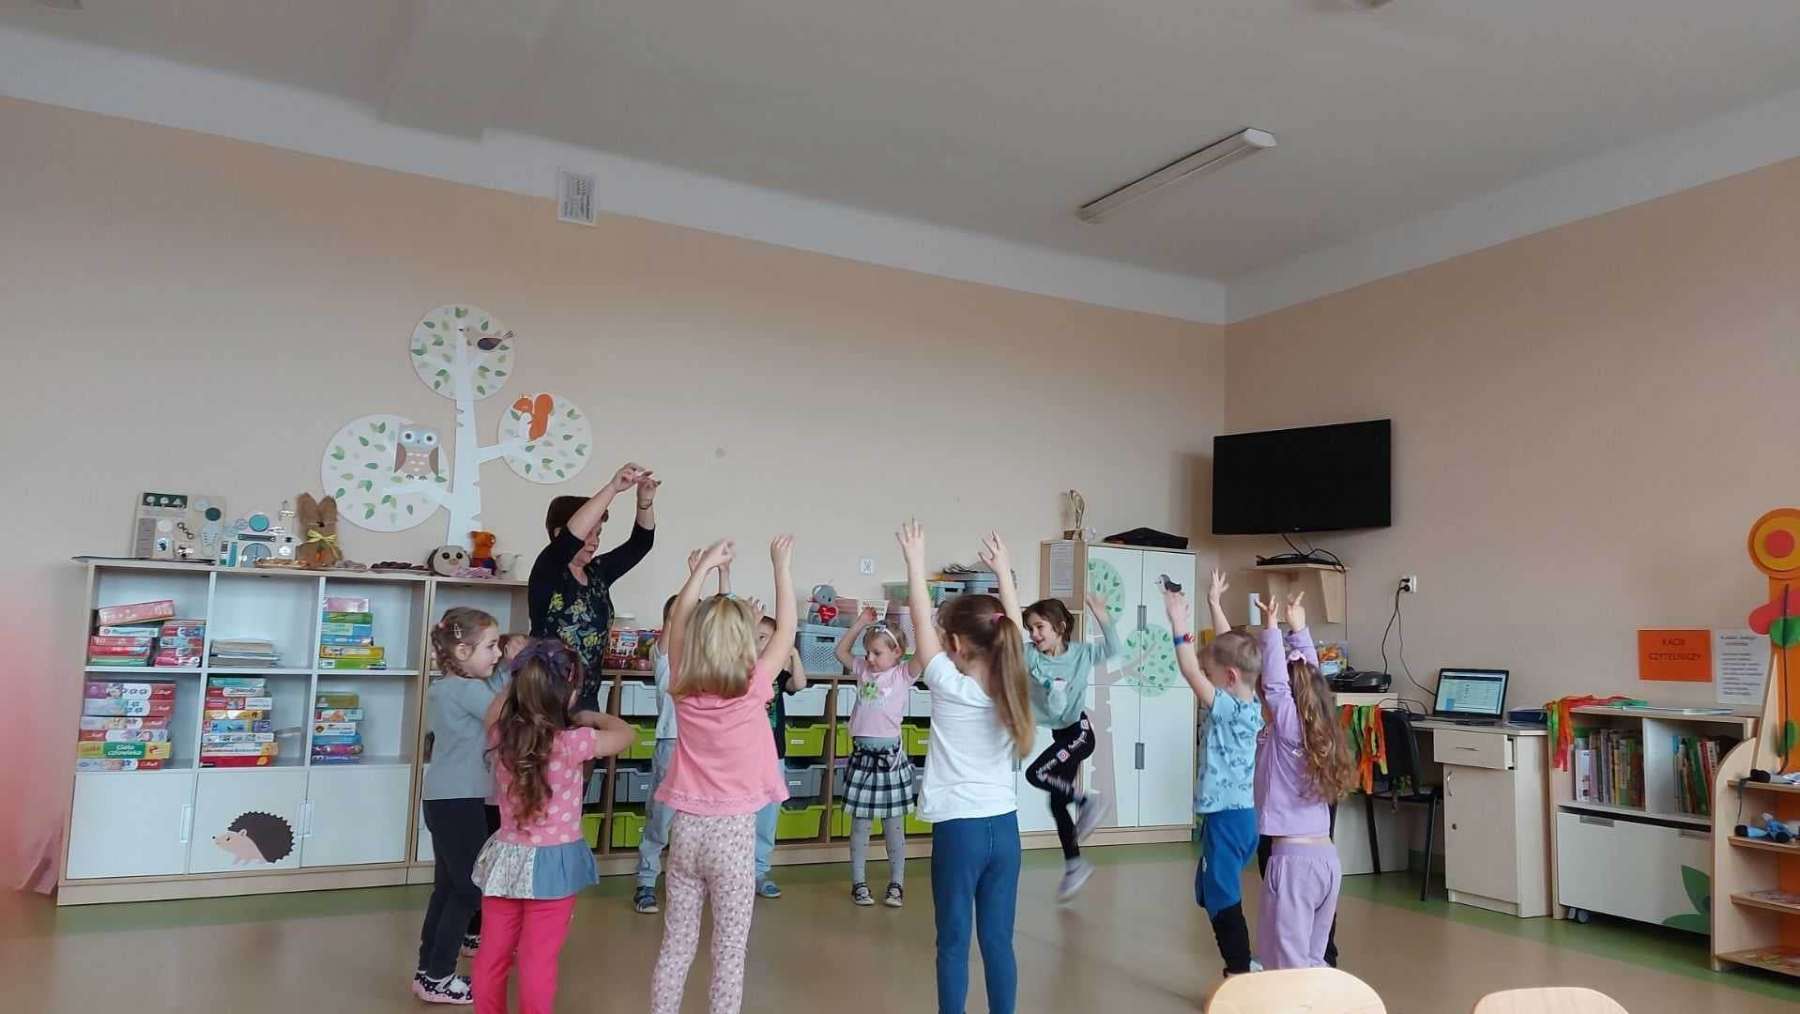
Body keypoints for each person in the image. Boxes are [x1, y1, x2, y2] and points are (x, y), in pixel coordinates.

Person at [649, 536, 797, 1014]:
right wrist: (781, 566)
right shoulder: (754, 686)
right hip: (732, 838)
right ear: (744, 643)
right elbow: (787, 630)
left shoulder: (682, 682)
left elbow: (678, 623)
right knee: (729, 953)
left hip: (686, 833)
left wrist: (701, 570)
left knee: (676, 946)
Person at [901, 523, 1035, 1014]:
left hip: (961, 831)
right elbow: (1014, 633)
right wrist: (1004, 573)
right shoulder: (1012, 683)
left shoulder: (948, 686)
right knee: (999, 942)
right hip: (1005, 829)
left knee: (954, 942)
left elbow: (920, 622)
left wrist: (915, 563)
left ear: (956, 644)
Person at [471, 640, 635, 1014]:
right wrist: (591, 715)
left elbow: (493, 712)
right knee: (537, 960)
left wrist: (517, 679)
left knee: (492, 955)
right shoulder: (574, 742)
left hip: (506, 861)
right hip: (553, 866)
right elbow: (626, 734)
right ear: (568, 694)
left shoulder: (502, 737)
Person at [1164, 572, 1264, 979]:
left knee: (1222, 897)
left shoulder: (1227, 708)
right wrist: (1214, 604)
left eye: (1212, 674)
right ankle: (1241, 963)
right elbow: (1230, 648)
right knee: (1212, 890)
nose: (1206, 679)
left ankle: (1239, 969)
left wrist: (1178, 624)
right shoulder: (1250, 703)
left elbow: (1190, 671)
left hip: (1227, 819)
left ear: (1228, 679)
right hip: (1239, 818)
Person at [1254, 592, 1358, 970]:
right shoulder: (1321, 728)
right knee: (1314, 959)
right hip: (1326, 861)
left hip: (1292, 863)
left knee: (1288, 963)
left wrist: (1271, 628)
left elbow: (1278, 686)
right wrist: (1299, 630)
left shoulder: (1286, 728)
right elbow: (1310, 683)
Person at [414, 608, 503, 1005]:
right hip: (459, 800)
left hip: (443, 798)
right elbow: (506, 716)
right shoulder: (469, 691)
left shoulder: (446, 687)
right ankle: (438, 977)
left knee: (448, 888)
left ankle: (429, 973)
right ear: (463, 651)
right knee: (469, 890)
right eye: (491, 646)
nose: (497, 654)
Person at [528, 461, 659, 710]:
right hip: (544, 698)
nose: (594, 542)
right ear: (558, 533)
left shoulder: (598, 572)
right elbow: (570, 538)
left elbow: (640, 544)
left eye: (598, 533)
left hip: (587, 698)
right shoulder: (548, 570)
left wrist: (644, 502)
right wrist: (613, 488)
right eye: (589, 532)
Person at [1020, 591, 1119, 900]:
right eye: (1030, 629)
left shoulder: (1081, 654)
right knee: (1056, 802)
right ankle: (1075, 865)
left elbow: (1114, 649)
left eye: (1040, 627)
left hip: (1080, 734)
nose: (1034, 634)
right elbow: (1004, 654)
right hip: (1061, 737)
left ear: (1060, 627)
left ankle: (1088, 801)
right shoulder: (1030, 656)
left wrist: (1102, 616)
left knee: (1036, 773)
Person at [834, 607, 919, 907]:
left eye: (877, 653)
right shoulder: (862, 670)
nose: (870, 658)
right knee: (860, 826)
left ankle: (897, 884)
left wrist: (922, 621)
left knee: (894, 827)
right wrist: (860, 623)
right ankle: (859, 883)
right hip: (863, 759)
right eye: (868, 652)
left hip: (890, 760)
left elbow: (924, 654)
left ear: (897, 653)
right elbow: (840, 651)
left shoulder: (903, 674)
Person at [750, 607, 807, 899]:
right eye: (759, 637)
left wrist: (793, 654)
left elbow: (799, 684)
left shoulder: (778, 673)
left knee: (767, 816)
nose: (765, 644)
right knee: (742, 815)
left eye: (770, 639)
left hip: (774, 755)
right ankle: (735, 871)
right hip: (745, 756)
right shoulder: (742, 671)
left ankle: (760, 871)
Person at [632, 595, 681, 914]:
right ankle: (646, 881)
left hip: (701, 747)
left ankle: (686, 883)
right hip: (672, 743)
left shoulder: (707, 656)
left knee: (693, 822)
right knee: (661, 819)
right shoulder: (663, 654)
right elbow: (674, 621)